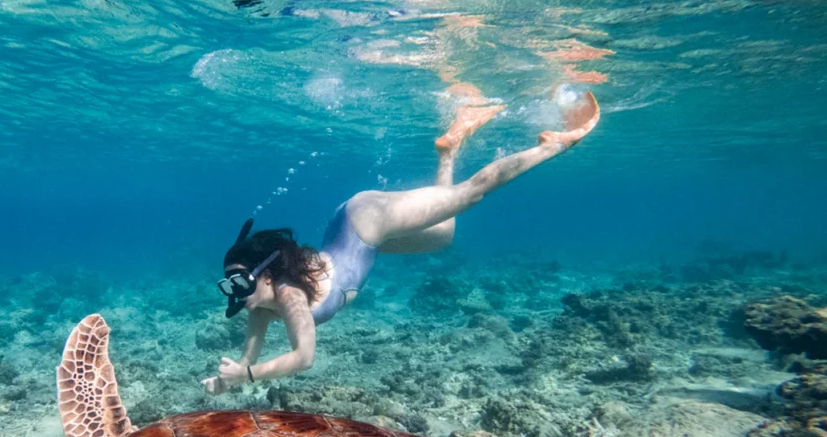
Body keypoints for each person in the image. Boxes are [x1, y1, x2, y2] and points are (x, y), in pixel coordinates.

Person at [202, 87, 600, 395]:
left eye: (240, 282)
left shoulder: (288, 297)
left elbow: (304, 358)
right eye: (229, 286)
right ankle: (451, 147)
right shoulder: (259, 306)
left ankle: (554, 144)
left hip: (365, 220)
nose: (236, 294)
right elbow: (245, 359)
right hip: (359, 242)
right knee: (443, 236)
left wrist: (250, 375)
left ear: (267, 273)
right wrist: (228, 380)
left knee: (470, 194)